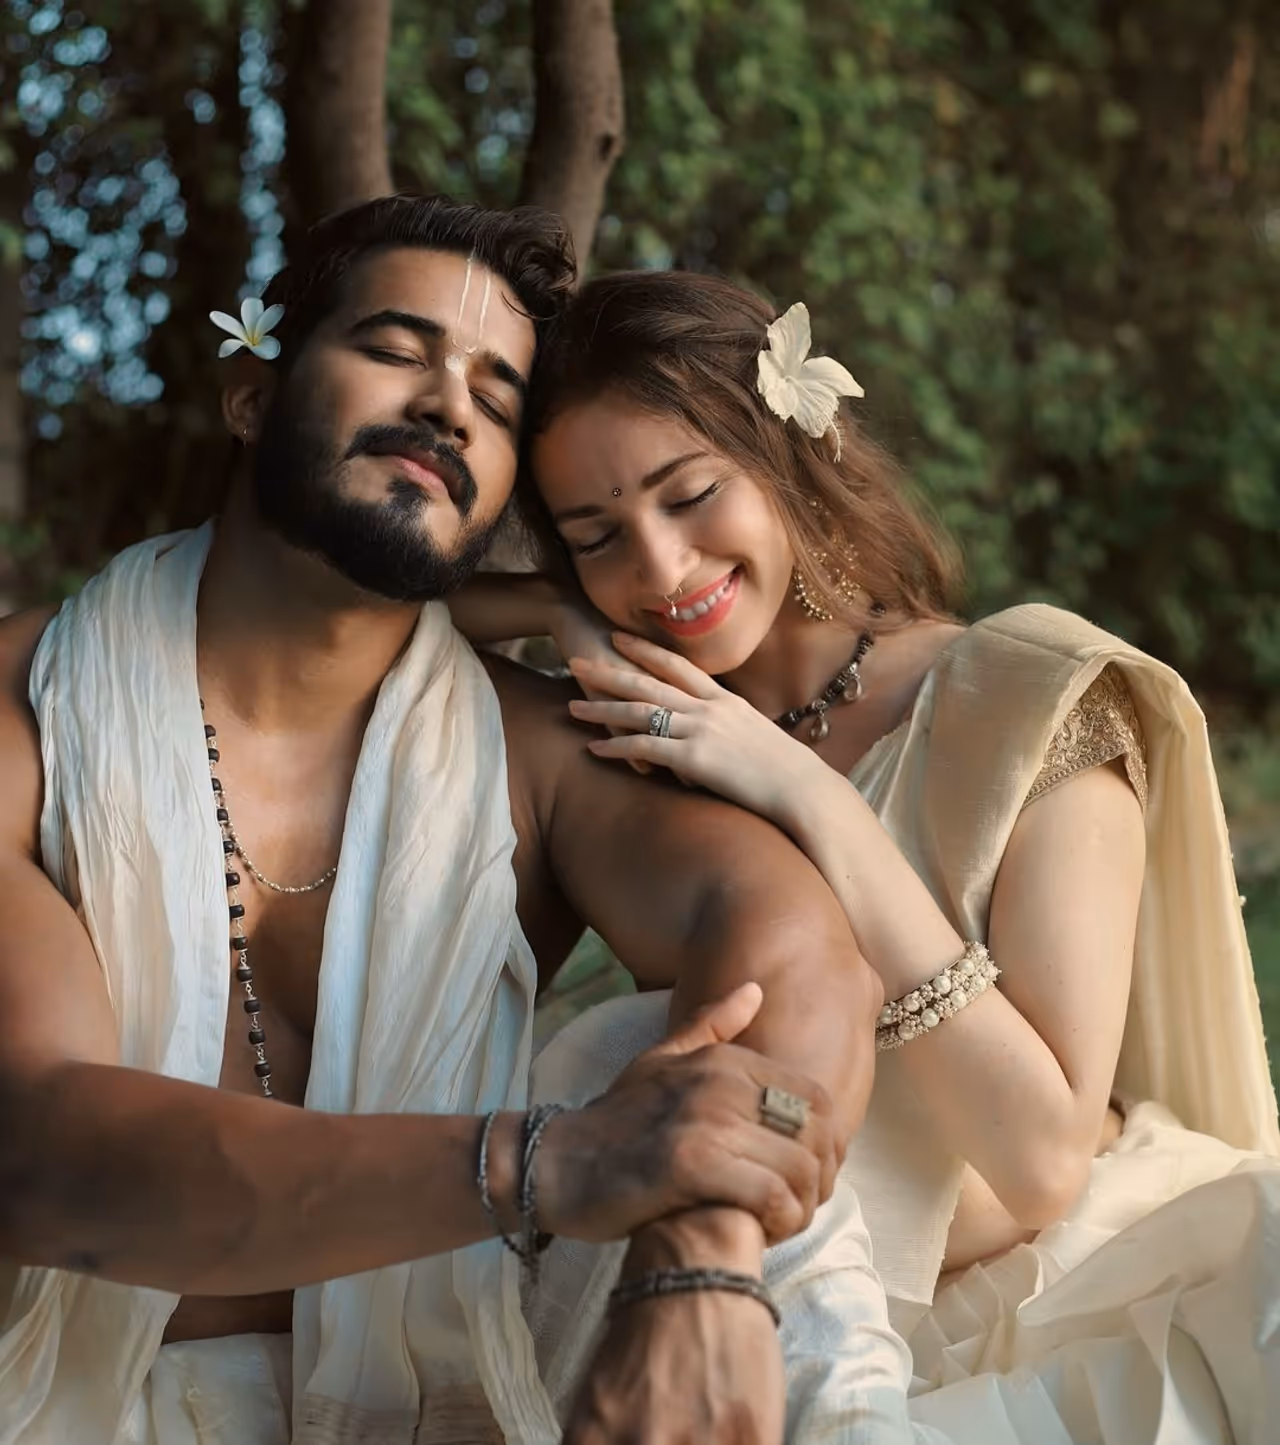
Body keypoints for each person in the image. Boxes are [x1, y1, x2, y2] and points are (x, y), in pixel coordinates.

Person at [0, 200, 887, 1445]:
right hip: (72, 1404)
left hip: (433, 1405)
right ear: (251, 395)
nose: (447, 406)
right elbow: (38, 1145)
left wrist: (702, 1251)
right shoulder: (28, 717)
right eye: (394, 349)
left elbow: (798, 949)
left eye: (495, 396)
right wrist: (547, 1164)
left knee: (668, 1048)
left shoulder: (530, 749)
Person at [449, 268, 1280, 1442]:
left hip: (1089, 1280)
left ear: (790, 449)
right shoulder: (645, 734)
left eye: (690, 495)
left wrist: (803, 793)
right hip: (804, 1301)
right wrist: (557, 611)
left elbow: (1041, 1159)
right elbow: (366, 618)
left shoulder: (1020, 699)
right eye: (598, 537)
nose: (662, 567)